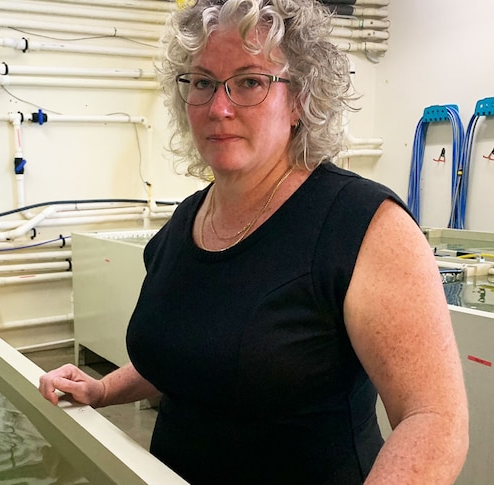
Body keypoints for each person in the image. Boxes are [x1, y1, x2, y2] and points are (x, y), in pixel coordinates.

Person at [38, 0, 469, 483]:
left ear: (300, 100)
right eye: (202, 82)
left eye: (249, 81)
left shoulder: (364, 226)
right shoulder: (186, 221)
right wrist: (102, 391)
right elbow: (193, 355)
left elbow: (434, 419)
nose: (219, 107)